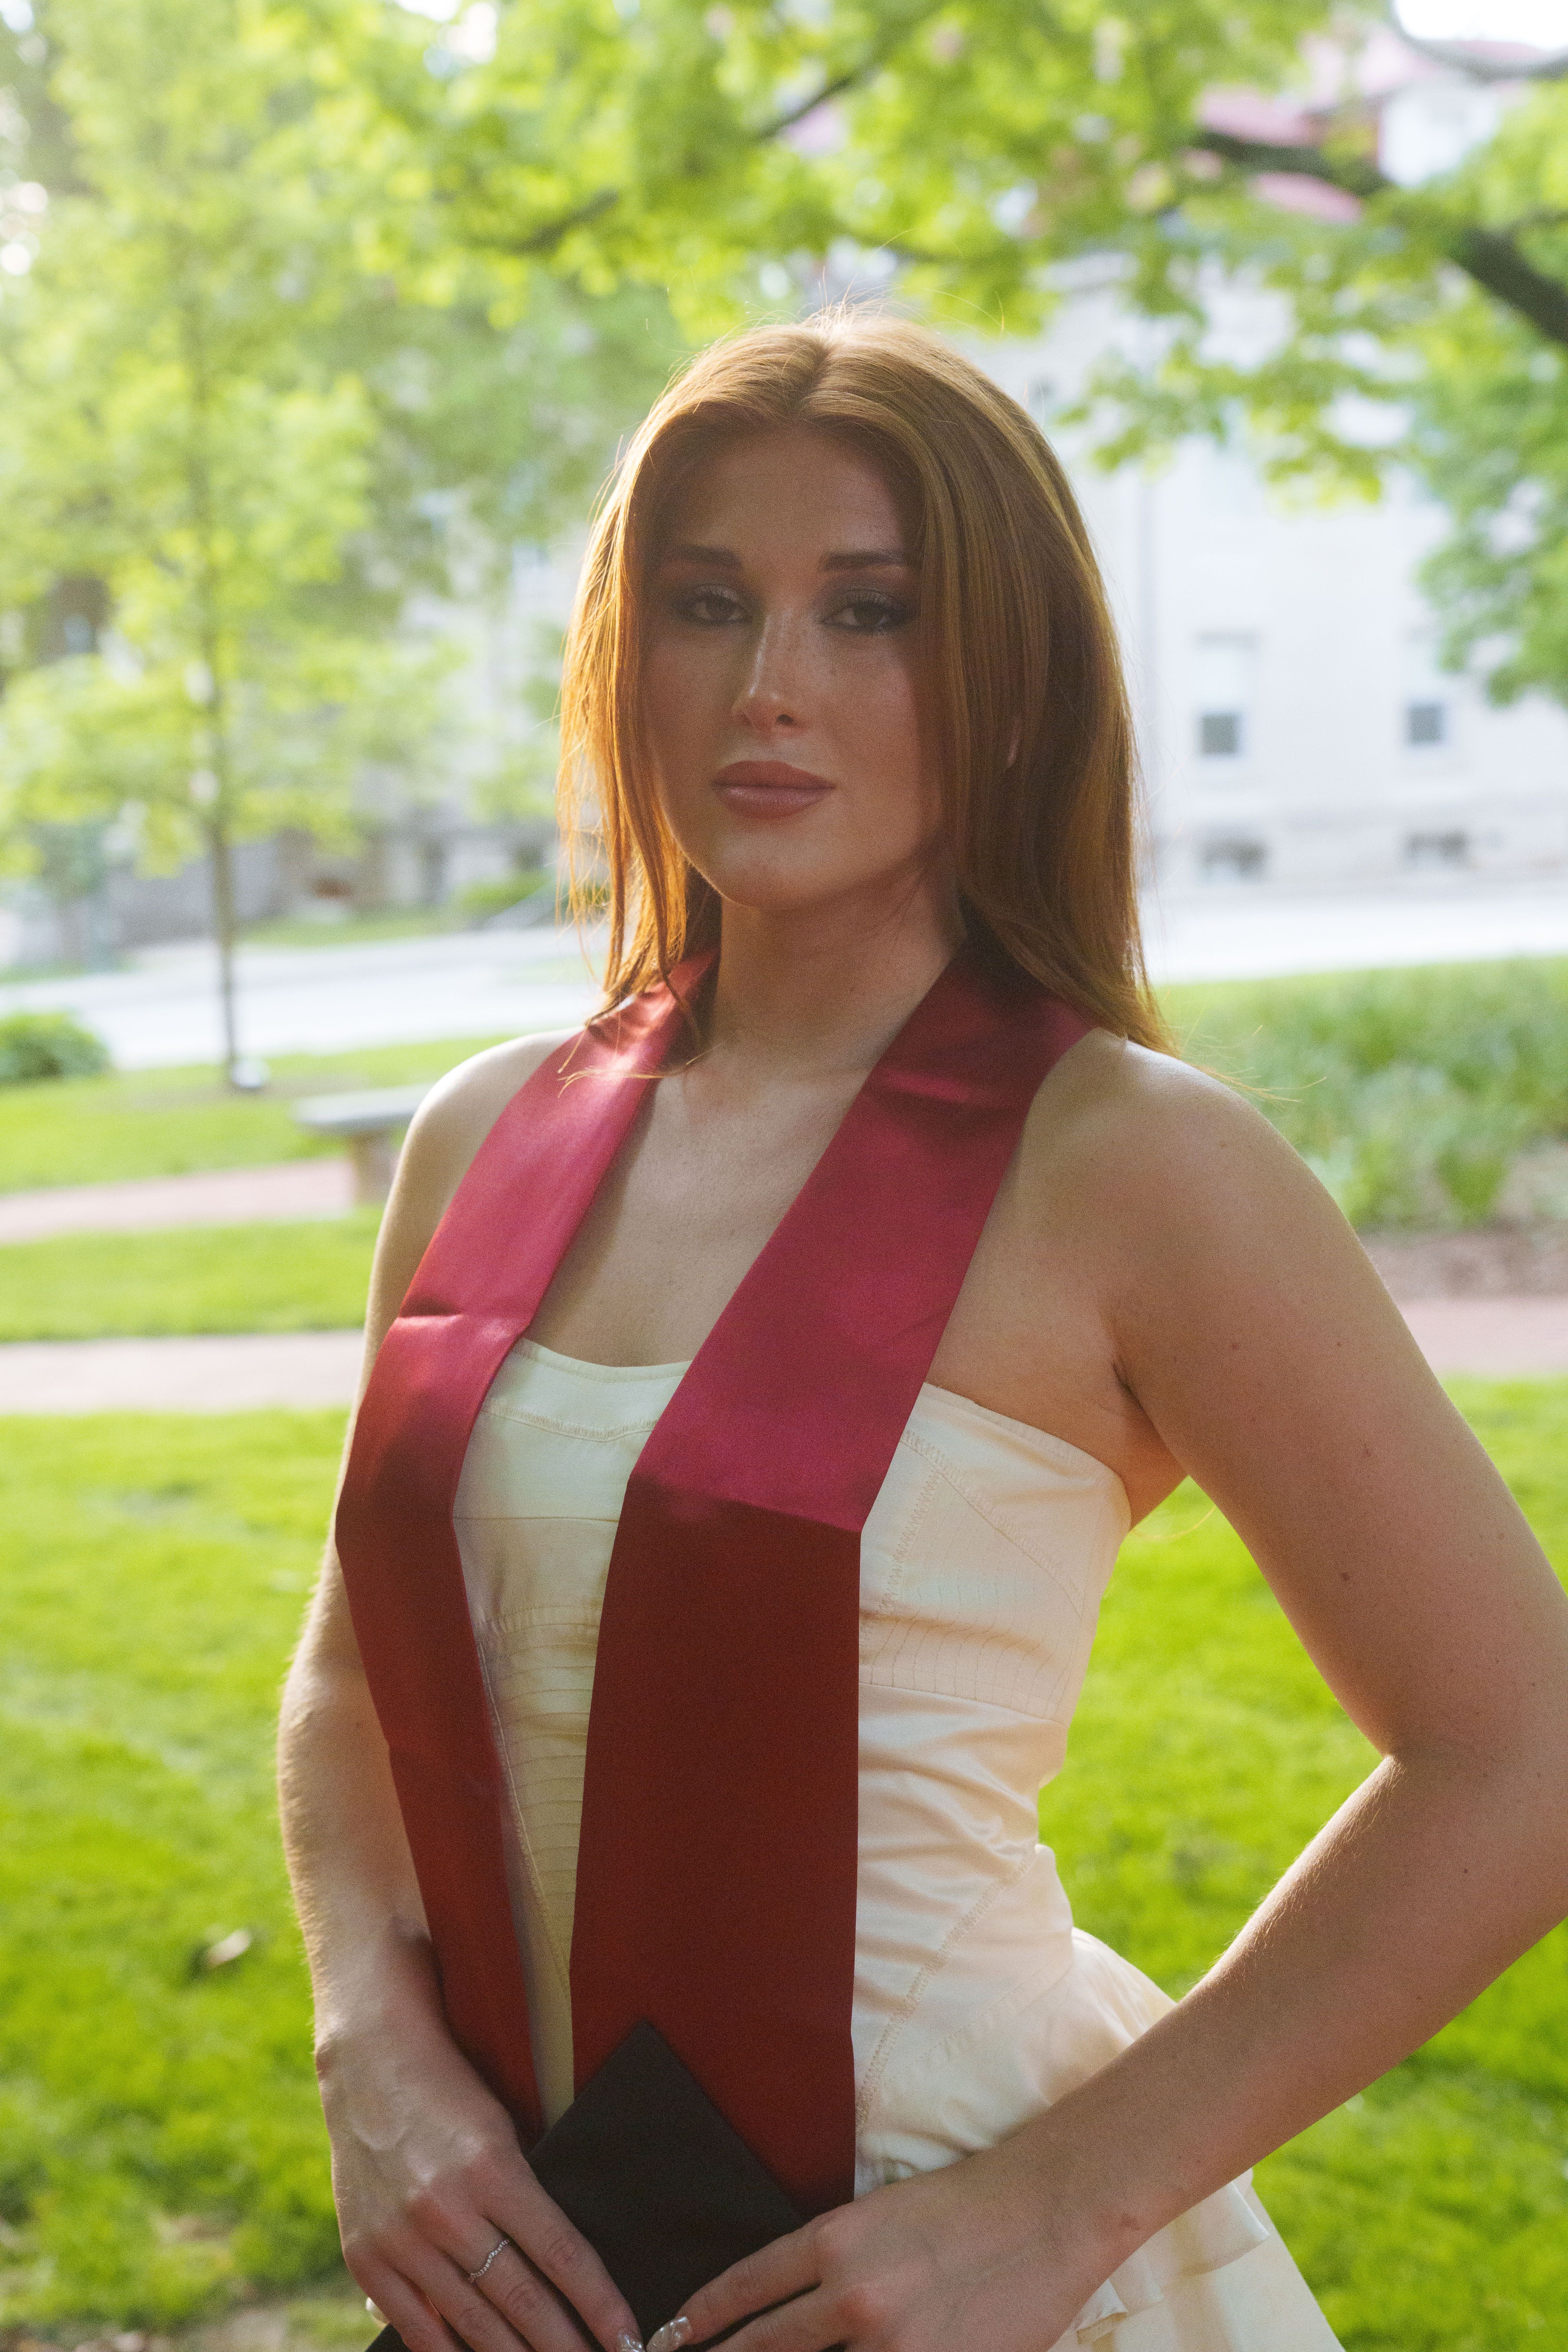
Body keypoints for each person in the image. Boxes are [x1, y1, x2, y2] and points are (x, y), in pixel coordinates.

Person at [278, 313, 1568, 2352]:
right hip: (525, 2269)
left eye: (870, 613)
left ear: (1010, 674)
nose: (770, 687)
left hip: (950, 2260)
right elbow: (359, 1662)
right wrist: (371, 2041)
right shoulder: (481, 1138)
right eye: (710, 604)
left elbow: (1523, 1750)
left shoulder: (1133, 1168)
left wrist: (1057, 2210)